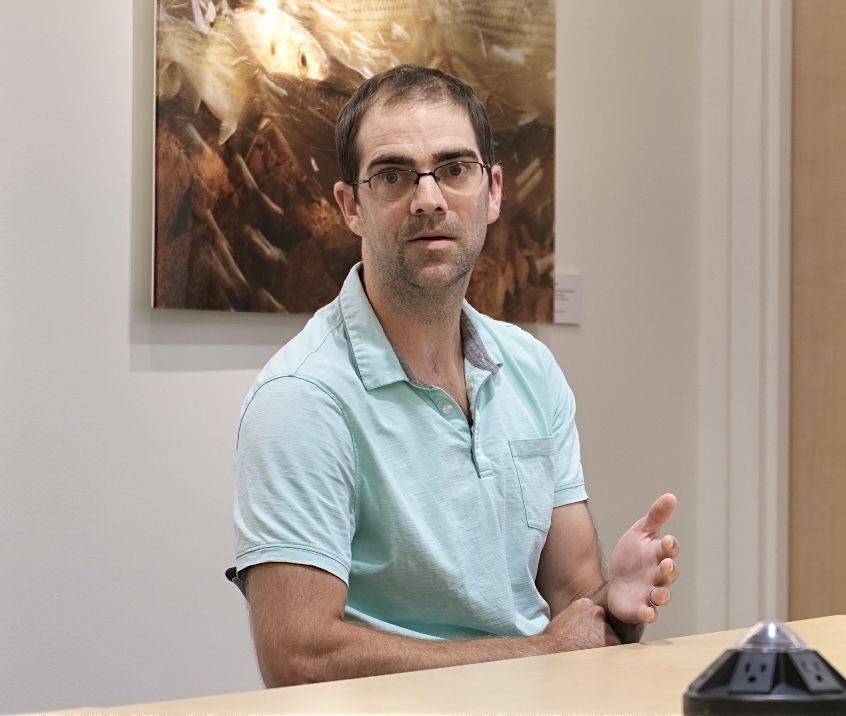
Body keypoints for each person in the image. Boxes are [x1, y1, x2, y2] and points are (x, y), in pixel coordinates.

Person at [231, 65, 679, 688]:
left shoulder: (531, 369)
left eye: (454, 169)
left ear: (492, 192)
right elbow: (299, 658)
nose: (429, 199)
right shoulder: (301, 398)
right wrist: (536, 654)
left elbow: (573, 601)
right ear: (350, 206)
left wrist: (617, 602)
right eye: (393, 175)